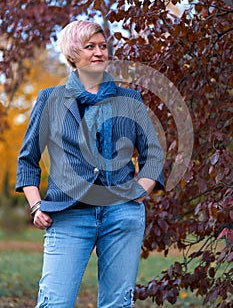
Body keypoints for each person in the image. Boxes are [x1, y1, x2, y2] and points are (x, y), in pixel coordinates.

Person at [16, 19, 164, 308]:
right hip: (68, 214)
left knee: (118, 304)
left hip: (121, 214)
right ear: (73, 54)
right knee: (54, 302)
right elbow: (28, 160)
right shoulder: (50, 100)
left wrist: (140, 191)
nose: (99, 52)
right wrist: (35, 205)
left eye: (103, 46)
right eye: (90, 46)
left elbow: (153, 155)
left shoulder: (129, 99)